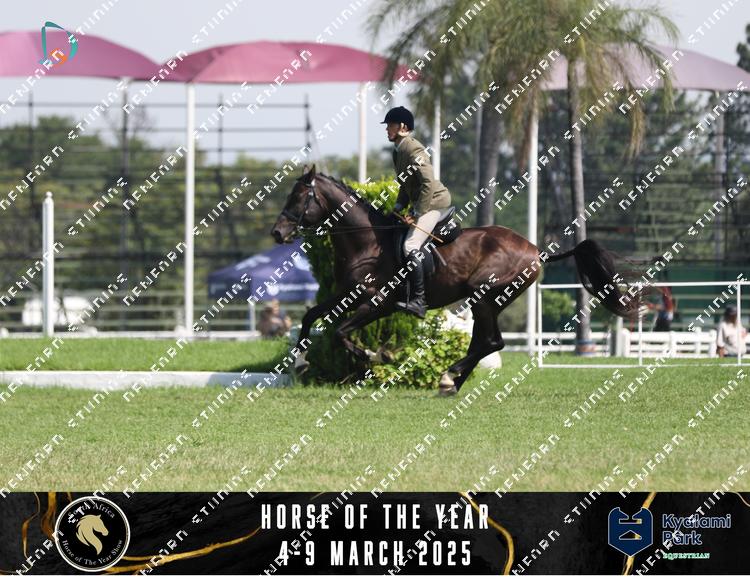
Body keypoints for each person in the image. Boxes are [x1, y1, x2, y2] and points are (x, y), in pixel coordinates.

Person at [381, 105, 453, 319]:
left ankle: (419, 300)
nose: (387, 129)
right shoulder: (398, 150)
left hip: (435, 203)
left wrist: (416, 213)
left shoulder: (413, 149)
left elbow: (428, 183)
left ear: (403, 127)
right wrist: (397, 208)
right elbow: (406, 184)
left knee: (410, 245)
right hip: (423, 203)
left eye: (391, 125)